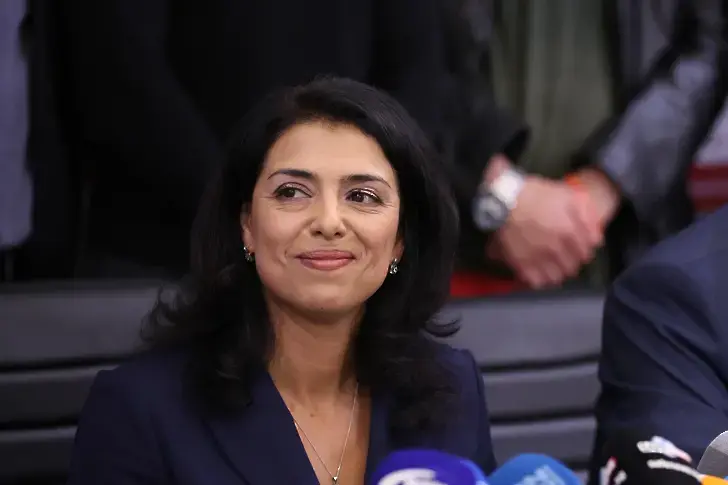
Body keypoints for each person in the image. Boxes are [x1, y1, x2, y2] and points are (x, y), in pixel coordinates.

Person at [66, 78, 495, 484]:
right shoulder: (139, 409)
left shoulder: (453, 388)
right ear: (247, 225)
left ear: (400, 240)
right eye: (292, 192)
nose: (329, 222)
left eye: (362, 196)